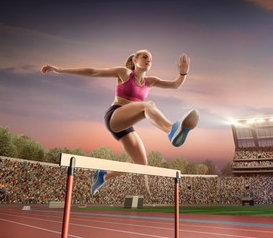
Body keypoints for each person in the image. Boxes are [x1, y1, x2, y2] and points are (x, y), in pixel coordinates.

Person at [41, 49, 199, 196]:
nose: (148, 60)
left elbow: (175, 84)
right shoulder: (125, 73)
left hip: (126, 126)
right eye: (145, 57)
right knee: (148, 106)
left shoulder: (151, 81)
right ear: (135, 60)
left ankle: (104, 175)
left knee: (141, 163)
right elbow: (93, 72)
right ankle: (171, 130)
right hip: (114, 116)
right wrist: (59, 69)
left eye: (150, 59)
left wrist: (183, 73)